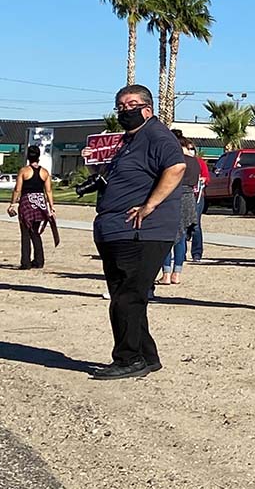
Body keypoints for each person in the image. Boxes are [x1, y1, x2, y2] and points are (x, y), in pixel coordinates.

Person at [87, 84, 186, 380]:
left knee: (126, 297)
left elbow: (177, 167)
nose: (123, 110)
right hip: (115, 230)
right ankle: (146, 356)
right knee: (126, 295)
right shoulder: (127, 141)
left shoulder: (157, 135)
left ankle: (128, 359)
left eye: (130, 105)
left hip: (143, 232)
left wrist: (149, 205)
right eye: (120, 105)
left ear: (147, 109)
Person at [159, 136, 200, 285]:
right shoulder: (195, 161)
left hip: (172, 196)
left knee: (166, 236)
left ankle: (166, 273)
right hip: (189, 198)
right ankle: (177, 272)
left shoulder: (173, 160)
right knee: (181, 236)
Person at [7, 146, 57, 270]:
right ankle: (39, 261)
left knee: (25, 233)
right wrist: (51, 207)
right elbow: (49, 191)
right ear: (38, 157)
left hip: (26, 203)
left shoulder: (24, 171)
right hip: (39, 203)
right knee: (35, 232)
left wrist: (12, 203)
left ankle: (26, 262)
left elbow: (17, 189)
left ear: (28, 156)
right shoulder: (44, 172)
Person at [192, 147, 209, 263]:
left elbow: (207, 177)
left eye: (191, 149)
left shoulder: (199, 162)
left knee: (196, 224)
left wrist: (204, 180)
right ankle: (180, 254)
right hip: (183, 196)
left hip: (197, 196)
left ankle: (197, 253)